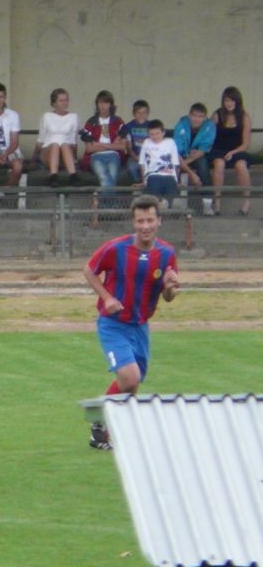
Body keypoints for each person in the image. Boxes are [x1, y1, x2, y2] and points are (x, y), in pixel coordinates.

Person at [82, 194, 179, 450]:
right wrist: (107, 297)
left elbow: (168, 296)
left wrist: (171, 288)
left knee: (131, 386)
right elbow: (89, 270)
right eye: (140, 221)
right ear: (133, 223)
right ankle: (98, 423)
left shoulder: (166, 254)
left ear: (159, 221)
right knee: (129, 377)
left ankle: (105, 434)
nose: (145, 226)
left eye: (150, 220)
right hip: (113, 324)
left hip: (140, 326)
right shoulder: (116, 248)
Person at [209, 86, 252, 216]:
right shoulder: (217, 115)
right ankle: (217, 201)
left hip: (237, 150)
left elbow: (245, 144)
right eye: (227, 100)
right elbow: (208, 136)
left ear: (238, 102)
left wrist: (233, 152)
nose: (229, 103)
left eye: (233, 100)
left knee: (241, 165)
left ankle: (246, 201)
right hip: (219, 150)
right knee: (219, 164)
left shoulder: (244, 116)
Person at [79, 90, 126, 191]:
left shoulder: (118, 121)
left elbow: (122, 146)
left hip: (114, 155)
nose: (103, 105)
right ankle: (109, 201)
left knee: (112, 176)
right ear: (97, 104)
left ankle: (101, 200)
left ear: (111, 105)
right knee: (103, 176)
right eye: (100, 102)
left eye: (106, 102)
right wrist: (112, 145)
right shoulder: (91, 122)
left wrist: (99, 144)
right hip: (95, 156)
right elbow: (89, 149)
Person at [172, 102, 214, 213]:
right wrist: (192, 174)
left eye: (200, 116)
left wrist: (187, 161)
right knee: (173, 166)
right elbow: (176, 152)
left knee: (203, 165)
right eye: (194, 116)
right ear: (189, 115)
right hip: (181, 157)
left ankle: (207, 203)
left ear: (205, 117)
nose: (197, 119)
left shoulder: (209, 126)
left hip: (197, 157)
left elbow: (203, 149)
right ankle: (172, 203)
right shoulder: (181, 125)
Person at [35, 88, 79, 187]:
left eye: (66, 100)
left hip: (65, 154)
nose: (65, 103)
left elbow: (73, 141)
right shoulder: (47, 116)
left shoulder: (73, 117)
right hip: (48, 152)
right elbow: (41, 139)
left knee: (64, 145)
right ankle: (53, 176)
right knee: (55, 144)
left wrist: (74, 157)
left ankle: (73, 176)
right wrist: (34, 159)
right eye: (61, 101)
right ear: (54, 103)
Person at [139, 120, 180, 206]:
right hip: (152, 175)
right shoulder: (146, 142)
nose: (155, 136)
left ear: (163, 133)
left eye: (157, 133)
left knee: (172, 200)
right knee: (153, 201)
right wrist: (144, 180)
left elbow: (175, 163)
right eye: (152, 134)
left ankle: (168, 207)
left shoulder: (170, 142)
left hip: (169, 175)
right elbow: (143, 163)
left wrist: (176, 178)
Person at [119, 100, 150, 185]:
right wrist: (135, 157)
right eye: (139, 113)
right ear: (134, 113)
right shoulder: (128, 127)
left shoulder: (151, 126)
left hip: (149, 155)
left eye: (144, 113)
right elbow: (128, 147)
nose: (141, 115)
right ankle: (138, 184)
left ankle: (147, 184)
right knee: (131, 168)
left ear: (148, 113)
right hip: (134, 156)